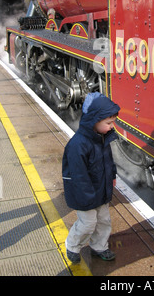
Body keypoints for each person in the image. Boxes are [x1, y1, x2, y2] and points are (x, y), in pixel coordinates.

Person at [62, 92, 120, 264]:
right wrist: (87, 196)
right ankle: (72, 245)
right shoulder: (78, 144)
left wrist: (112, 176)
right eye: (108, 123)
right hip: (85, 193)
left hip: (100, 189)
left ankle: (99, 246)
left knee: (103, 221)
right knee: (87, 223)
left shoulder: (102, 137)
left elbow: (108, 161)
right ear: (95, 120)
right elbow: (77, 175)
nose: (111, 127)